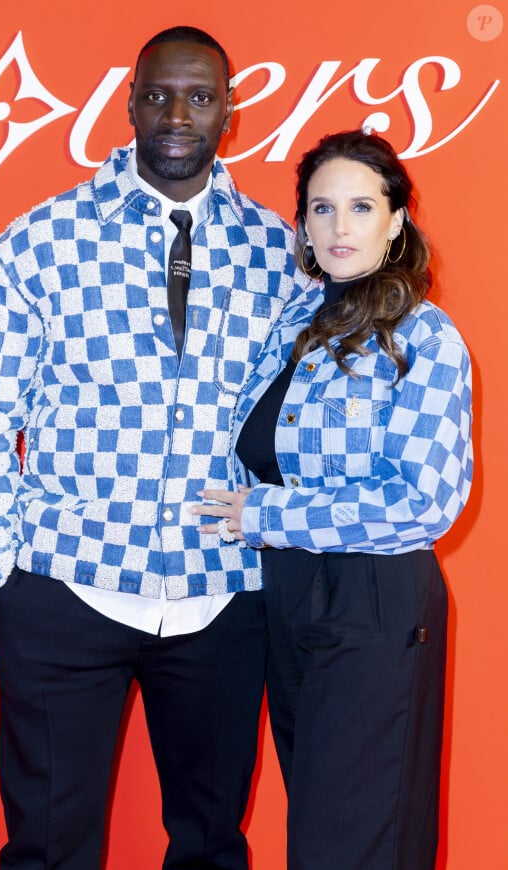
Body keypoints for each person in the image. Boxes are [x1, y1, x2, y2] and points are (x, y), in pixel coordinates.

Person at [0, 26, 310, 870]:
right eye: (157, 94)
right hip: (64, 584)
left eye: (200, 95)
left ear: (232, 112)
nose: (177, 114)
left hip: (224, 592)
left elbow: (298, 417)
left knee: (213, 846)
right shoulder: (42, 240)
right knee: (46, 848)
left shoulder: (277, 251)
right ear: (130, 105)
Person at [192, 130, 473, 870]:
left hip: (373, 601)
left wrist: (267, 516)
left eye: (360, 206)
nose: (341, 226)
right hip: (286, 597)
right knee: (324, 834)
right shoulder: (294, 325)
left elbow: (423, 501)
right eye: (323, 208)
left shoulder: (423, 336)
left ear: (396, 221)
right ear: (304, 227)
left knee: (348, 844)